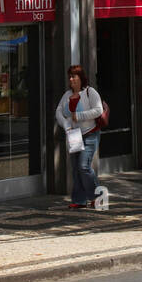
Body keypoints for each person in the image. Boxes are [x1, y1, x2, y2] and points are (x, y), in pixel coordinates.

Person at [55, 64, 103, 208]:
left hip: (90, 134)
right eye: (69, 76)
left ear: (81, 78)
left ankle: (98, 197)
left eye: (74, 76)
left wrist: (79, 116)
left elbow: (98, 110)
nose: (71, 79)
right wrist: (66, 124)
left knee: (83, 166)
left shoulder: (90, 92)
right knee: (76, 169)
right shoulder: (67, 95)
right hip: (74, 135)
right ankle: (79, 200)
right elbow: (58, 111)